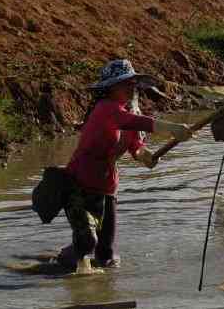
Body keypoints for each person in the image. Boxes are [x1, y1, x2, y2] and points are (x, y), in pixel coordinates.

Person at [56, 59, 191, 272]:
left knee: (106, 253)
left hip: (107, 188)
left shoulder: (126, 113)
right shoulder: (105, 109)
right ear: (110, 88)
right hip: (80, 186)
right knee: (86, 242)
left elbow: (135, 145)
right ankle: (63, 263)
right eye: (125, 84)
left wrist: (145, 156)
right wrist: (172, 128)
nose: (131, 88)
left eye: (132, 84)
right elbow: (135, 122)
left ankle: (100, 286)